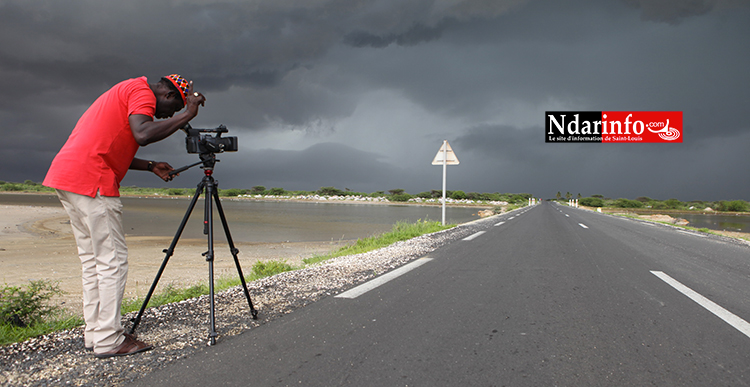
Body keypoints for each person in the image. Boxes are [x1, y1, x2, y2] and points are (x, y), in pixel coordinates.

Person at [43, 74, 206, 358]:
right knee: (112, 262)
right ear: (168, 96)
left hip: (68, 176)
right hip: (93, 181)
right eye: (170, 111)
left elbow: (110, 145)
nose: (166, 116)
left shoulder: (126, 90)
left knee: (93, 260)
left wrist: (151, 165)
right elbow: (143, 133)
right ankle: (108, 339)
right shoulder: (142, 92)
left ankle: (95, 333)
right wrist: (190, 112)